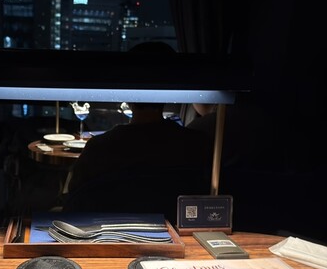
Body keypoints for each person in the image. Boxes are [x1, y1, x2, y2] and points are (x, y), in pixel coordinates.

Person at [63, 42, 214, 211]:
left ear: (126, 93)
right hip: (175, 226)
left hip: (108, 227)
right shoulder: (197, 144)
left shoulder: (98, 149)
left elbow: (73, 204)